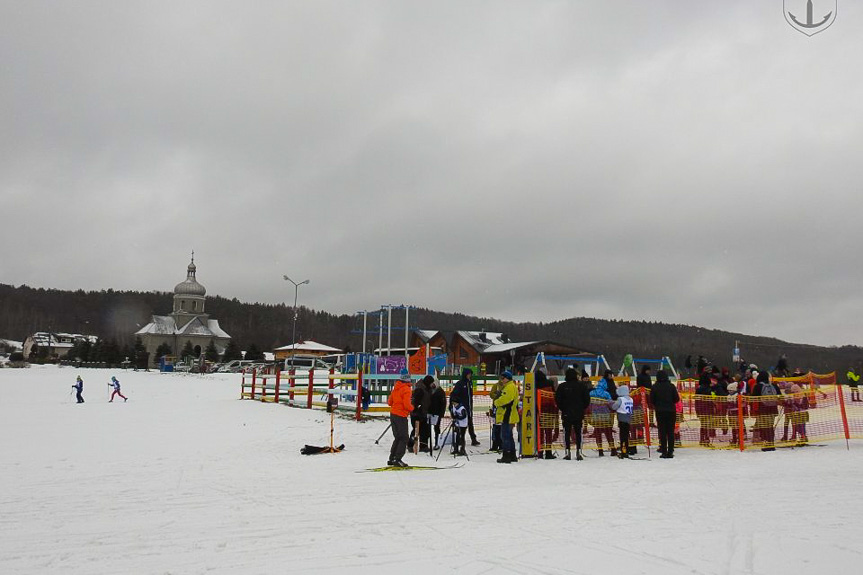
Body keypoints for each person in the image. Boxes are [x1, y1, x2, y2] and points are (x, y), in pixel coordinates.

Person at [555, 368, 591, 460]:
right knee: (578, 432)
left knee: (567, 432)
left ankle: (567, 452)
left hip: (566, 413)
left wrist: (563, 408)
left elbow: (558, 400)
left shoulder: (562, 386)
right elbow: (587, 400)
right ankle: (579, 451)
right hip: (578, 413)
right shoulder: (582, 386)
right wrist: (582, 408)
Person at [386, 369, 414, 467]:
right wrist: (413, 408)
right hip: (401, 416)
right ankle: (398, 459)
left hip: (393, 414)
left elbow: (389, 402)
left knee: (397, 437)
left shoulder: (396, 388)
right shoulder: (406, 389)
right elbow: (407, 405)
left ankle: (392, 457)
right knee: (404, 438)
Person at [650, 369, 680, 459]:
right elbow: (676, 399)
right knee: (670, 432)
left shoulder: (655, 387)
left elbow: (652, 400)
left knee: (662, 432)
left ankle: (664, 451)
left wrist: (658, 404)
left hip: (660, 411)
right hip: (671, 411)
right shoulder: (671, 386)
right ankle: (670, 452)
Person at [493, 370, 520, 464]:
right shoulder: (510, 386)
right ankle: (512, 455)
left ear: (507, 378)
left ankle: (506, 455)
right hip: (509, 415)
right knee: (509, 436)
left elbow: (505, 399)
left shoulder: (509, 387)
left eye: (503, 378)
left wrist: (496, 402)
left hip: (507, 415)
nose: (501, 380)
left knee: (505, 436)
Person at [450, 368, 481, 446]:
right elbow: (454, 395)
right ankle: (459, 440)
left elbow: (470, 396)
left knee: (470, 424)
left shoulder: (469, 383)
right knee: (460, 425)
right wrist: (456, 405)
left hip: (469, 408)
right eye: (469, 374)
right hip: (462, 408)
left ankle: (473, 439)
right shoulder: (460, 384)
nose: (470, 376)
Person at [751, 370, 779, 451]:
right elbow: (779, 396)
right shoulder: (774, 385)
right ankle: (771, 444)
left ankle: (766, 444)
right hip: (773, 409)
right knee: (770, 426)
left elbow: (753, 398)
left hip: (763, 409)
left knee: (764, 427)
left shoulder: (758, 386)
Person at [535, 369, 559, 459]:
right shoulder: (549, 383)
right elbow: (553, 396)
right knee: (548, 431)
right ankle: (548, 452)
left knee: (540, 432)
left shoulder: (535, 385)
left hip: (539, 410)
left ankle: (540, 452)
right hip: (549, 410)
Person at [589, 376, 615, 456]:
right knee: (608, 432)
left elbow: (588, 403)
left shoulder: (592, 393)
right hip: (605, 415)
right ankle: (612, 449)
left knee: (598, 433)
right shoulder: (606, 393)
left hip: (596, 416)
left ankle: (600, 450)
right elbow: (611, 404)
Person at [609, 383, 634, 458]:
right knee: (626, 436)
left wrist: (610, 403)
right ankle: (626, 449)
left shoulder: (620, 399)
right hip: (628, 418)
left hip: (622, 419)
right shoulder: (631, 399)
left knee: (622, 436)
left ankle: (623, 451)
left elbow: (614, 407)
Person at [409, 375, 431, 453]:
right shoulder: (420, 390)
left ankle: (423, 446)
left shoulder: (427, 389)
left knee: (424, 430)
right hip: (417, 414)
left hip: (423, 413)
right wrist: (417, 411)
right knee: (416, 431)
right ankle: (410, 445)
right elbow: (415, 402)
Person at [428, 378, 447, 450]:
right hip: (429, 412)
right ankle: (428, 443)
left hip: (437, 413)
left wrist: (441, 413)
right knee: (428, 428)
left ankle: (436, 443)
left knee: (436, 428)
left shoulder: (440, 392)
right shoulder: (429, 390)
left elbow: (443, 404)